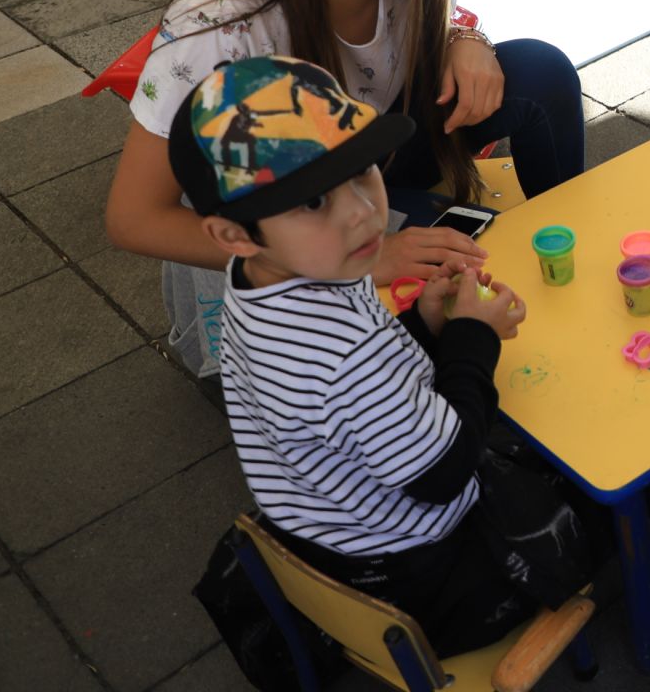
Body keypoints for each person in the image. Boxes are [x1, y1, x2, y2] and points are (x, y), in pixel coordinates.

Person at [104, 0, 584, 374]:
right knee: (461, 255)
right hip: (290, 216)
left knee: (539, 70)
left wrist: (466, 36)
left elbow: (435, 20)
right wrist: (367, 252)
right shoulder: (221, 25)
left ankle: (571, 237)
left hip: (363, 152)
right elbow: (133, 219)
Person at [169, 55, 588, 656]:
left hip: (330, 522)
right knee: (627, 487)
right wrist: (474, 338)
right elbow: (444, 473)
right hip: (414, 570)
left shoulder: (268, 275)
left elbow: (346, 394)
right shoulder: (342, 354)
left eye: (362, 170)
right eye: (312, 202)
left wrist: (423, 322)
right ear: (233, 233)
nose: (364, 211)